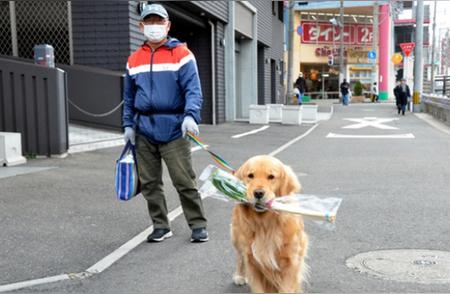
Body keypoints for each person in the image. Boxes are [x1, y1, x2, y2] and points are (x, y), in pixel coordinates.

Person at [122, 4, 208, 243]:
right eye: (149, 22)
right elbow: (128, 97)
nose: (154, 26)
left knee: (184, 180)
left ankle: (198, 224)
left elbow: (193, 90)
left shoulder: (181, 54)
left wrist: (191, 115)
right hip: (143, 130)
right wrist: (128, 125)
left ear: (168, 25)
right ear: (141, 26)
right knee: (150, 183)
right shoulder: (134, 60)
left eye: (158, 22)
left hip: (174, 127)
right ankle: (161, 225)